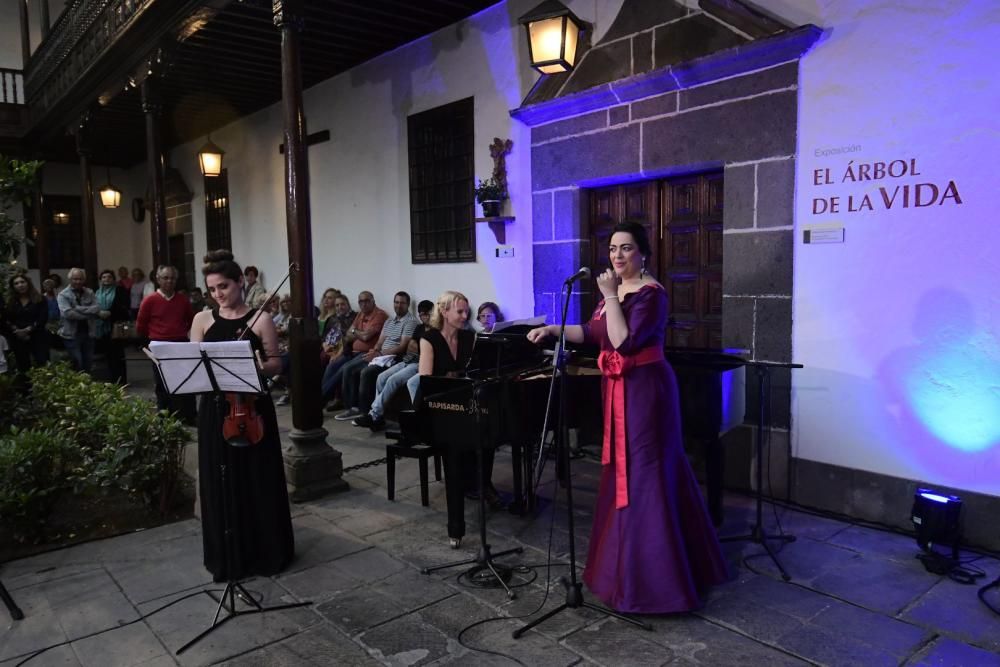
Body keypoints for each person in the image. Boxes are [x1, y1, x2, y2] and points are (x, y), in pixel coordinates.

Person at [527, 221, 728, 613]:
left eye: (627, 248)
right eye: (614, 248)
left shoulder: (652, 295)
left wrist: (609, 295)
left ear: (644, 254)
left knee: (644, 471)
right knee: (623, 469)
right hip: (618, 389)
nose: (618, 256)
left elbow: (623, 341)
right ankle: (625, 569)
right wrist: (552, 328)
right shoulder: (614, 294)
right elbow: (593, 331)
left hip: (646, 391)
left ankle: (656, 582)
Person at [190, 249, 294, 582]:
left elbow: (276, 363)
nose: (218, 294)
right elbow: (195, 365)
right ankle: (226, 554)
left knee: (256, 478)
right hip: (215, 411)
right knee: (219, 481)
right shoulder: (202, 320)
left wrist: (259, 366)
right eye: (212, 289)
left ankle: (264, 552)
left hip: (251, 409)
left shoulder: (260, 319)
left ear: (239, 283)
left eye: (224, 286)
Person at [417, 290, 478, 548]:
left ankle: (480, 484)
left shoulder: (469, 337)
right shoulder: (429, 338)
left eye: (466, 311)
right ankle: (456, 527)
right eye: (460, 311)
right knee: (454, 453)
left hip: (462, 402)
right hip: (436, 406)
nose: (465, 316)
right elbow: (426, 381)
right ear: (444, 312)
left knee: (485, 437)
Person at [335, 291, 417, 422]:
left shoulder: (410, 321)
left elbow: (402, 347)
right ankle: (351, 407)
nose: (398, 305)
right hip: (380, 355)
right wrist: (374, 351)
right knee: (348, 368)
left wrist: (379, 354)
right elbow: (380, 341)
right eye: (396, 302)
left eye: (402, 303)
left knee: (365, 372)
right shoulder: (390, 321)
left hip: (394, 357)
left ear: (407, 305)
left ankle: (364, 411)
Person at [354, 299, 433, 431]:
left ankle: (374, 415)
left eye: (427, 313)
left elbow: (421, 350)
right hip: (407, 360)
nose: (424, 316)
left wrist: (417, 347)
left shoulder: (435, 330)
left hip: (419, 364)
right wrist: (416, 347)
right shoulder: (419, 328)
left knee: (392, 380)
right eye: (421, 313)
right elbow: (410, 347)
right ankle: (379, 418)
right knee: (381, 377)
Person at [136, 265, 196, 420]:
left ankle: (186, 415)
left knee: (184, 380)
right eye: (165, 277)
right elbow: (141, 325)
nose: (169, 281)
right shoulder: (149, 300)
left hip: (180, 343)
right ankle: (165, 415)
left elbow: (191, 321)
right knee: (162, 383)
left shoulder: (182, 300)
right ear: (158, 279)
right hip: (158, 345)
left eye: (172, 278)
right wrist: (147, 346)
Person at [323, 291, 386, 409]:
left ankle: (347, 406)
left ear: (373, 301)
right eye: (361, 301)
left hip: (368, 353)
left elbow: (366, 337)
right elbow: (348, 334)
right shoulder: (360, 315)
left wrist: (355, 332)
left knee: (345, 369)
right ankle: (323, 397)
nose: (364, 304)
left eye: (367, 301)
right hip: (352, 352)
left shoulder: (379, 315)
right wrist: (357, 333)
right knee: (331, 366)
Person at [4, 273, 50, 375]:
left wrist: (28, 330)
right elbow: (7, 319)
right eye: (16, 283)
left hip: (38, 336)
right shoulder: (11, 301)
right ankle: (26, 390)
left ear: (28, 283)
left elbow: (42, 318)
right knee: (23, 367)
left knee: (43, 365)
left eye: (22, 282)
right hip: (18, 338)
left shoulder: (40, 299)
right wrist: (16, 331)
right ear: (13, 287)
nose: (20, 285)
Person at [57, 268, 101, 373]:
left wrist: (78, 308)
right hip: (71, 335)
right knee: (77, 364)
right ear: (70, 280)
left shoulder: (89, 292)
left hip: (88, 333)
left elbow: (97, 308)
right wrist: (88, 314)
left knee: (88, 363)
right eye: (75, 279)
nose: (78, 281)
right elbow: (68, 313)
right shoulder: (63, 295)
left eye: (80, 279)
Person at [318, 293, 357, 409]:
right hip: (331, 348)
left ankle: (324, 398)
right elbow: (324, 336)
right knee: (323, 359)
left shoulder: (354, 317)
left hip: (346, 351)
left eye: (342, 304)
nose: (340, 307)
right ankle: (322, 397)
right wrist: (325, 345)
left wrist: (337, 354)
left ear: (348, 304)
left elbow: (348, 339)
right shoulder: (333, 318)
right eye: (337, 305)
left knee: (333, 365)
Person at [94, 269, 131, 384]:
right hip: (101, 327)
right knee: (106, 356)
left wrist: (110, 312)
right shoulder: (96, 292)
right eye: (104, 277)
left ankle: (120, 380)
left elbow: (124, 306)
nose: (106, 279)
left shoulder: (120, 290)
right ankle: (108, 379)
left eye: (109, 277)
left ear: (114, 279)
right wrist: (98, 313)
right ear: (100, 280)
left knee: (117, 355)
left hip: (115, 326)